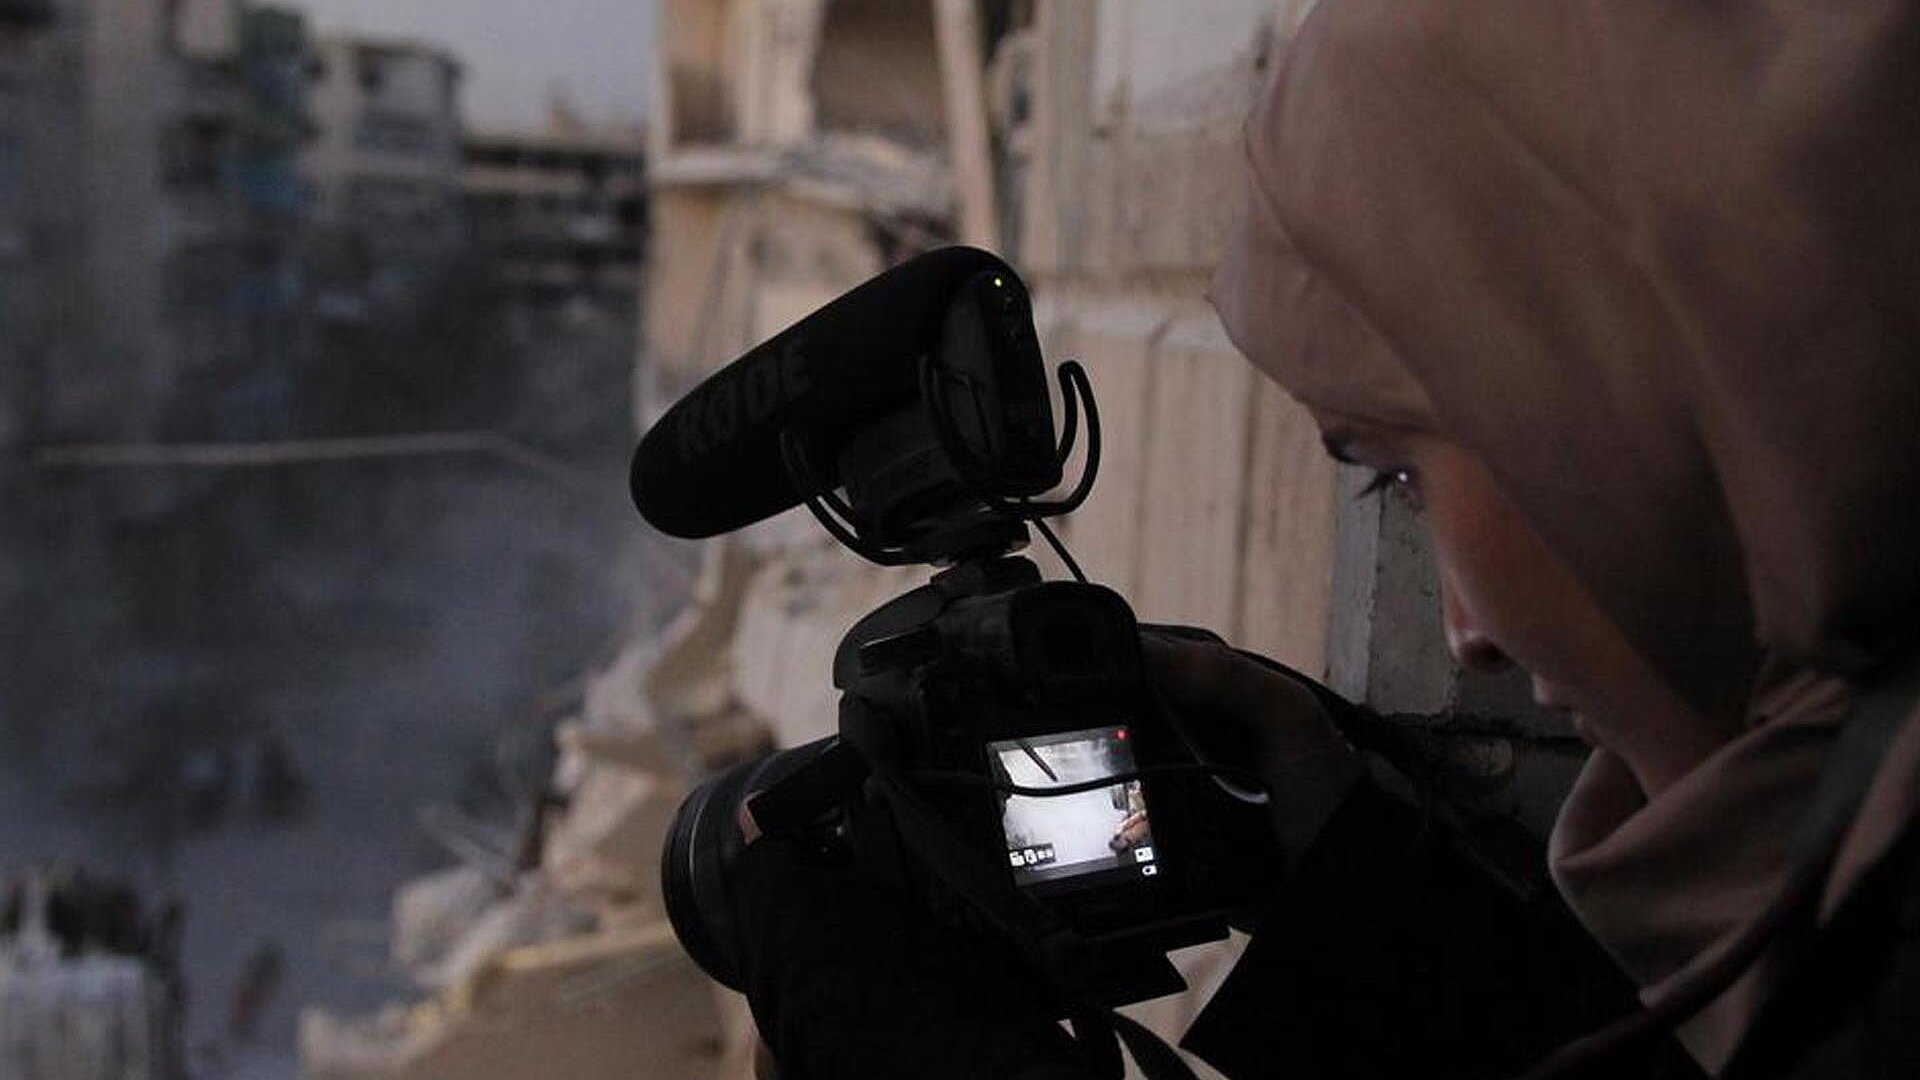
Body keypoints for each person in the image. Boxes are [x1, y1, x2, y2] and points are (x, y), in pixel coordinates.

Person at [733, 2, 1920, 1077]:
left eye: (1398, 472)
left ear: (1637, 402)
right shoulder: (1826, 834)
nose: (1467, 631)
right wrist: (1348, 869)